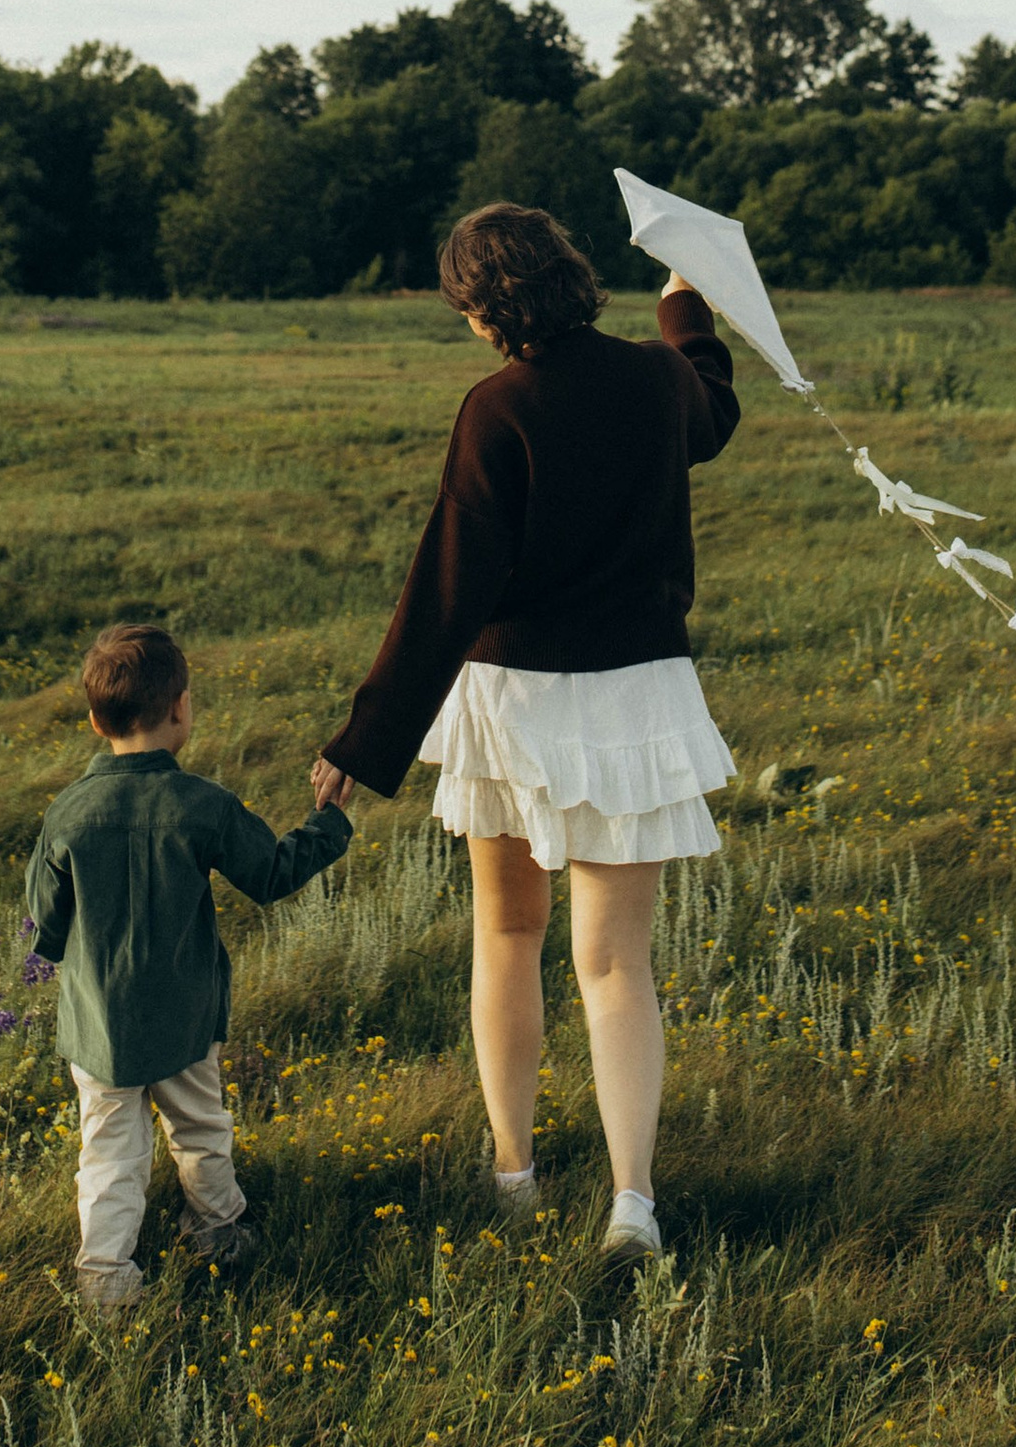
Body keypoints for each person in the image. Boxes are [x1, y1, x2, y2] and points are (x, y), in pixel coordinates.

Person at [313, 200, 738, 1259]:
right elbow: (713, 412)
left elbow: (447, 591)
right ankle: (631, 1200)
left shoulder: (494, 409)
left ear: (479, 311)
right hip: (635, 700)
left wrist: (365, 744)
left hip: (513, 703)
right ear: (571, 274)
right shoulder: (654, 380)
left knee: (507, 937)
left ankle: (513, 1174)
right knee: (617, 964)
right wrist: (684, 310)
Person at [27, 619, 354, 1311]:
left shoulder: (68, 814)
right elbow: (271, 873)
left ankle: (107, 1277)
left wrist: (63, 950)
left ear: (95, 721)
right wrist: (327, 821)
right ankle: (218, 1233)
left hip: (98, 1026)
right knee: (201, 1130)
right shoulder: (201, 805)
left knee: (110, 1153)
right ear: (179, 708)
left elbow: (46, 919)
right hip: (184, 1018)